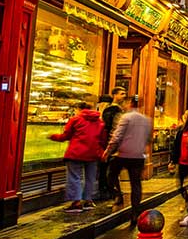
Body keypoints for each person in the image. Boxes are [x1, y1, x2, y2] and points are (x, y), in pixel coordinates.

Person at [102, 95, 152, 228]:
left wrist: (108, 151)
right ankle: (135, 212)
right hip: (138, 156)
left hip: (123, 154)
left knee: (110, 176)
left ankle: (117, 194)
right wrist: (147, 159)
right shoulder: (147, 120)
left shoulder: (125, 117)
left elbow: (117, 136)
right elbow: (147, 140)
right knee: (136, 185)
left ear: (129, 104)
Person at [49, 102, 105, 213]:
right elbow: (102, 140)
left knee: (75, 177)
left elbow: (66, 136)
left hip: (76, 153)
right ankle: (88, 200)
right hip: (93, 153)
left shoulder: (75, 119)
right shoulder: (100, 122)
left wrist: (53, 137)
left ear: (78, 109)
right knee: (90, 177)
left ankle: (76, 202)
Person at [101, 87, 127, 202]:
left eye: (125, 93)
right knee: (110, 170)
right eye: (122, 94)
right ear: (114, 95)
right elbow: (110, 128)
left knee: (112, 169)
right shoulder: (112, 110)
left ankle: (114, 193)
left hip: (114, 143)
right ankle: (113, 192)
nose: (124, 96)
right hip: (111, 143)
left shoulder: (118, 109)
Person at [169, 108, 188, 209]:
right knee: (180, 185)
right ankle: (187, 199)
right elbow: (176, 146)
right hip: (182, 161)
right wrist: (172, 161)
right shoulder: (182, 131)